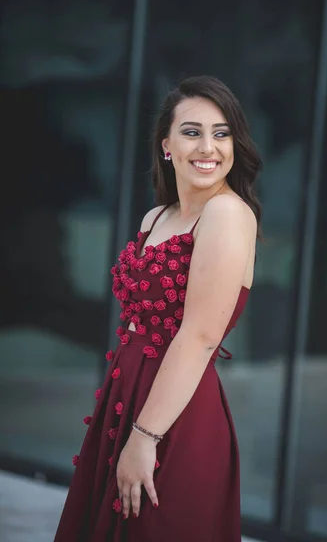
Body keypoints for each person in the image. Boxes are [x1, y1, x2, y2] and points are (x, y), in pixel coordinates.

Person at [55, 75, 262, 542]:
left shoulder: (227, 214)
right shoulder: (157, 217)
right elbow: (134, 322)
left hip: (175, 417)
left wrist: (145, 437)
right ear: (166, 144)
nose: (207, 146)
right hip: (125, 399)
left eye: (221, 133)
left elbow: (201, 336)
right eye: (191, 132)